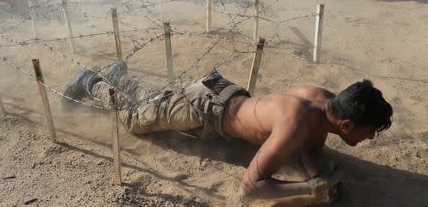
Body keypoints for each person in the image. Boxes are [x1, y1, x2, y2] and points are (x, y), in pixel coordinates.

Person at [61, 60, 393, 203]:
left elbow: (310, 149)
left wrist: (319, 175)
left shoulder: (323, 104)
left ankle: (123, 78)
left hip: (224, 91)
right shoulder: (295, 125)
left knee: (160, 102)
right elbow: (251, 188)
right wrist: (309, 190)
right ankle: (93, 81)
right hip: (205, 109)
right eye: (369, 132)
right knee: (133, 120)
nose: (369, 138)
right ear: (346, 124)